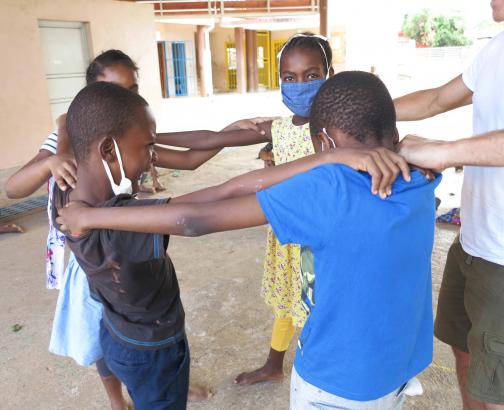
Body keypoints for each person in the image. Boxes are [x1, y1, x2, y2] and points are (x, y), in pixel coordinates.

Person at [51, 79, 408, 409]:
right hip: (153, 345)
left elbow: (226, 189)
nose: (152, 158)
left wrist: (61, 153)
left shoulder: (66, 189)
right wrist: (325, 158)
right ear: (108, 150)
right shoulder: (115, 222)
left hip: (117, 333)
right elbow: (191, 219)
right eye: (146, 147)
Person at [4, 49, 267, 407]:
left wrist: (237, 133)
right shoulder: (89, 189)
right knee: (116, 343)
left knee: (115, 337)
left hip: (122, 306)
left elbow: (190, 154)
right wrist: (52, 160)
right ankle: (129, 395)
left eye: (132, 89)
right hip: (113, 290)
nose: (149, 158)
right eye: (118, 90)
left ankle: (156, 388)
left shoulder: (116, 147)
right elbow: (193, 216)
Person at [154, 32, 344, 385]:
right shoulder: (277, 127)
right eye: (289, 78)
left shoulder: (341, 131)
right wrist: (152, 136)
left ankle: (319, 376)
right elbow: (210, 139)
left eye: (311, 76)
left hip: (323, 242)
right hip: (285, 234)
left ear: (330, 75)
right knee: (288, 300)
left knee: (318, 308)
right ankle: (274, 365)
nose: (299, 85)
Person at [394, 2, 504, 408]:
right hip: (474, 241)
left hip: (502, 259)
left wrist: (442, 151)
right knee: (464, 348)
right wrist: (367, 112)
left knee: (497, 384)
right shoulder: (496, 48)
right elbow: (438, 99)